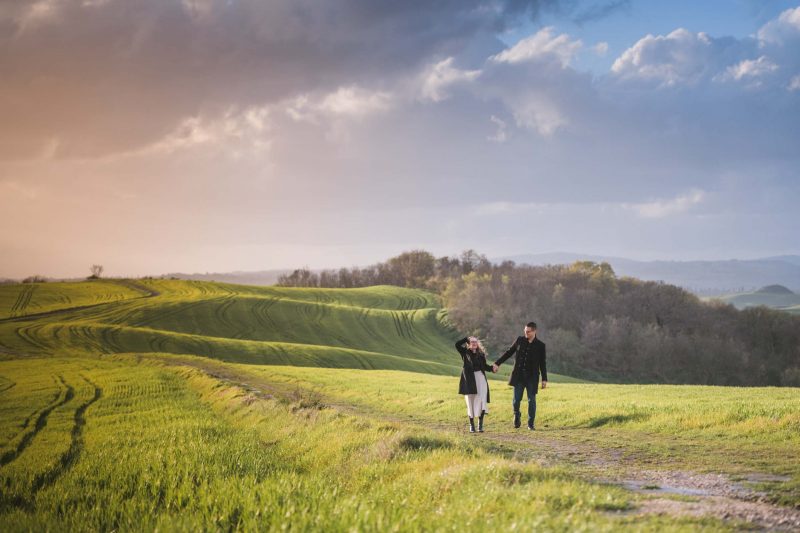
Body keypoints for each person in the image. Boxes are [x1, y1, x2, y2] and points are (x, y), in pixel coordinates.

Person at [492, 322, 547, 430]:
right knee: (516, 400)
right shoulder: (519, 340)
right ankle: (517, 414)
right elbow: (509, 352)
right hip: (519, 376)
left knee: (532, 400)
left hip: (532, 377)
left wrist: (544, 379)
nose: (526, 333)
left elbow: (542, 363)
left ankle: (531, 424)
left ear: (534, 331)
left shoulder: (541, 345)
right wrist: (497, 363)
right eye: (525, 331)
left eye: (528, 331)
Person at [454, 336, 493, 433]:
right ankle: (472, 425)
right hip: (469, 380)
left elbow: (484, 366)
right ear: (468, 343)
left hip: (481, 378)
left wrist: (492, 368)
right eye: (471, 342)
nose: (474, 343)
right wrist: (466, 338)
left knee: (481, 400)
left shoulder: (481, 354)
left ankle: (480, 425)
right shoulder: (465, 352)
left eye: (475, 341)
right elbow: (457, 344)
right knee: (470, 401)